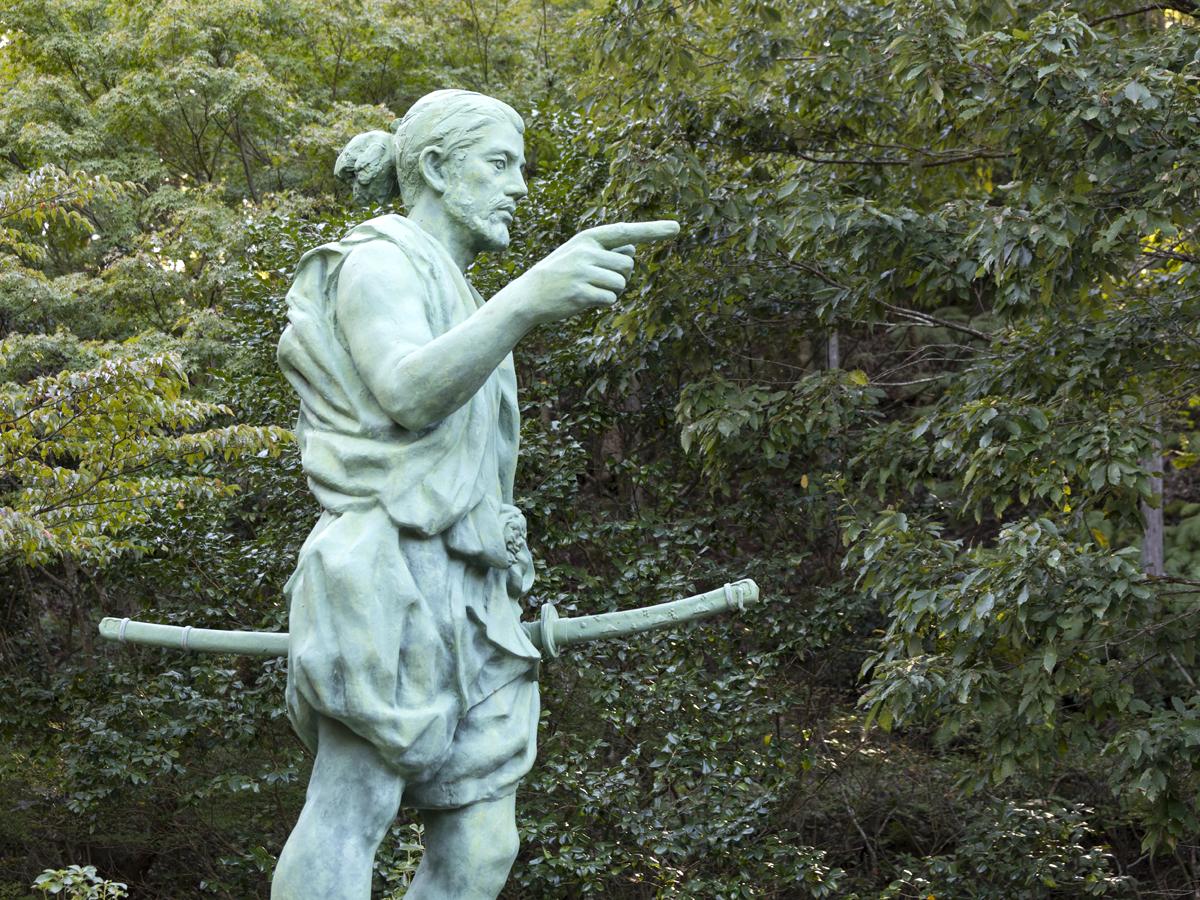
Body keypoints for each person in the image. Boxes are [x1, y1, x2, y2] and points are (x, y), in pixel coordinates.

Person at [271, 89, 678, 900]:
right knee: (354, 804)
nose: (519, 186)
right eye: (499, 164)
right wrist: (529, 296)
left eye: (519, 167)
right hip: (383, 570)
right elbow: (408, 391)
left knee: (484, 840)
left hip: (474, 590)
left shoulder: (457, 290)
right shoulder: (377, 258)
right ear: (433, 167)